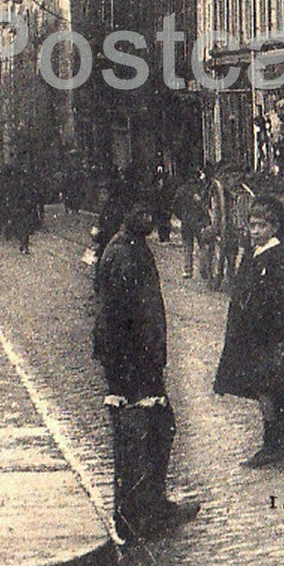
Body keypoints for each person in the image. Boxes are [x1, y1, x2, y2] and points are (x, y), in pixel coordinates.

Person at [92, 204, 201, 541]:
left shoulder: (128, 247)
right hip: (133, 360)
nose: (150, 221)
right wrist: (144, 359)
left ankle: (144, 508)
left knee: (152, 430)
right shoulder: (125, 253)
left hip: (133, 357)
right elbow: (127, 315)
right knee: (147, 432)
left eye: (152, 215)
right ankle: (141, 513)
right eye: (142, 214)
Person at [213, 196, 284, 468]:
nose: (255, 231)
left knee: (269, 390)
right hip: (252, 336)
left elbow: (283, 299)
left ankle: (275, 445)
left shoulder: (279, 257)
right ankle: (283, 443)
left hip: (269, 336)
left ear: (275, 227)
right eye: (252, 225)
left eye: (261, 226)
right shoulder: (254, 254)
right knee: (265, 390)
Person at [172, 169, 210, 280]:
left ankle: (187, 270)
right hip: (199, 221)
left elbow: (175, 206)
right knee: (202, 245)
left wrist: (182, 216)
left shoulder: (181, 190)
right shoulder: (202, 189)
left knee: (187, 246)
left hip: (186, 221)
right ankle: (203, 268)